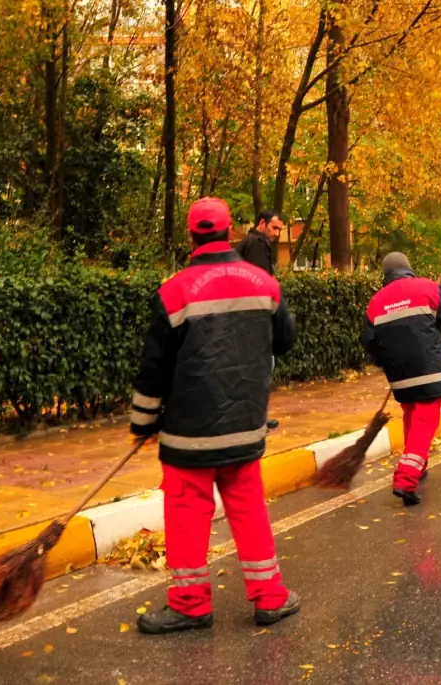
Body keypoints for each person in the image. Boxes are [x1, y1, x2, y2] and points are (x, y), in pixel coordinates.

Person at [131, 197, 300, 635]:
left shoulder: (173, 291)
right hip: (245, 421)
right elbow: (285, 339)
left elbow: (155, 367)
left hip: (190, 432)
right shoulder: (263, 283)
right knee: (248, 509)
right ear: (230, 232)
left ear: (192, 235)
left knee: (187, 513)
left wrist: (143, 421)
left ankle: (190, 605)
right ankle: (271, 598)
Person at [362, 252, 441, 507]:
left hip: (399, 375)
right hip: (429, 370)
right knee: (425, 421)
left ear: (385, 274)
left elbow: (369, 341)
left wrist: (386, 363)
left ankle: (420, 463)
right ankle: (406, 480)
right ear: (408, 267)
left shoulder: (376, 302)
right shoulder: (427, 287)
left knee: (411, 416)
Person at [237, 210, 284, 275]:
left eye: (279, 230)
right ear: (262, 223)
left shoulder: (251, 240)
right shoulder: (257, 242)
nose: (277, 234)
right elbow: (260, 278)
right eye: (274, 228)